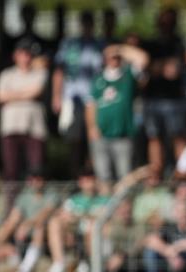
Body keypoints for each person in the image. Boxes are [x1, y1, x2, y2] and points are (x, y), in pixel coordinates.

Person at [86, 43, 149, 194]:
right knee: (103, 176)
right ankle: (106, 209)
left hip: (123, 134)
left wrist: (120, 48)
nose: (114, 60)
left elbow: (143, 58)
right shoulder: (98, 79)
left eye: (117, 57)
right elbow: (90, 106)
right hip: (101, 134)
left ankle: (122, 210)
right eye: (111, 57)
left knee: (125, 176)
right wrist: (92, 127)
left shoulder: (128, 76)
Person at [52, 10, 105, 174]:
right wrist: (56, 96)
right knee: (74, 141)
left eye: (90, 23)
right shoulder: (69, 44)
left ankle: (92, 178)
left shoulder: (100, 45)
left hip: (95, 100)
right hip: (73, 99)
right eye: (85, 22)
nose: (87, 26)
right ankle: (75, 178)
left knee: (94, 141)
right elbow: (59, 70)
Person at [143, 7, 186, 172]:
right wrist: (161, 67)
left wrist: (157, 67)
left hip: (174, 99)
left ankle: (182, 174)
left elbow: (174, 70)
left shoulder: (178, 43)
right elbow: (148, 66)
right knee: (154, 137)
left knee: (177, 136)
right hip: (152, 98)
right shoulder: (151, 44)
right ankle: (156, 173)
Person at [46, 170, 110, 272]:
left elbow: (104, 218)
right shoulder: (73, 199)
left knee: (91, 226)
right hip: (75, 234)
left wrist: (79, 216)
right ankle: (59, 263)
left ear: (95, 181)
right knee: (54, 222)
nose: (87, 182)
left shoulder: (104, 199)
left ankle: (89, 263)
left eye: (90, 178)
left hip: (97, 236)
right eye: (83, 179)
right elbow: (64, 215)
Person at [0, 40, 48, 183]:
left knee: (36, 170)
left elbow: (36, 91)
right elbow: (1, 96)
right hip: (11, 127)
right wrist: (25, 94)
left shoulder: (40, 73)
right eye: (22, 54)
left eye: (28, 54)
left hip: (34, 128)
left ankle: (34, 203)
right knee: (11, 170)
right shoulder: (6, 75)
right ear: (15, 55)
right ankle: (12, 204)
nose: (25, 58)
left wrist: (12, 95)